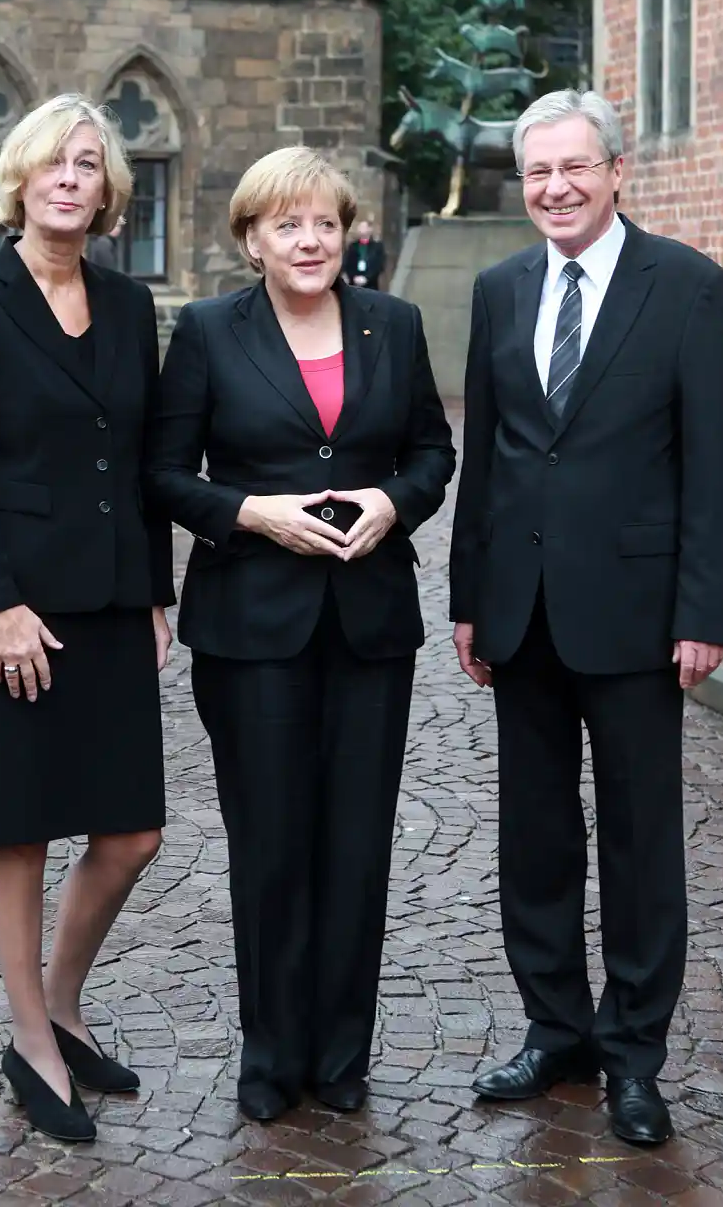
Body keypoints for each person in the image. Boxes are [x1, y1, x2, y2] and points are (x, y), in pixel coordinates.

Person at [449, 90, 723, 1147]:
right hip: (520, 615)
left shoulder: (688, 288)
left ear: (618, 171)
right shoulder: (499, 288)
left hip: (636, 612)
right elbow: (488, 455)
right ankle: (554, 1030)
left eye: (576, 168)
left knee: (638, 838)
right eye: (538, 173)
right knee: (534, 835)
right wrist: (469, 598)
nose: (557, 189)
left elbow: (714, 465)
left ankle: (633, 1055)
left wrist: (706, 609)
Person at [148, 146, 455, 1122]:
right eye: (287, 224)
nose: (310, 239)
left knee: (357, 843)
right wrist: (249, 513)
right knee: (271, 842)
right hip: (250, 627)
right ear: (252, 239)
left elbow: (431, 452)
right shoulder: (205, 332)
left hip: (370, 626)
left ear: (348, 231)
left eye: (324, 221)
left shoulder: (394, 325)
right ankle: (272, 1054)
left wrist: (392, 502)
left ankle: (341, 1056)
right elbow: (167, 472)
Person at [0, 94, 175, 1145]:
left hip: (112, 603)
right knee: (18, 829)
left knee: (132, 833)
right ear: (19, 180)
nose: (69, 178)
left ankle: (63, 1005)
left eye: (88, 164)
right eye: (51, 163)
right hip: (12, 612)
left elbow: (148, 461)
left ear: (108, 190)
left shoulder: (129, 305)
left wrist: (158, 586)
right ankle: (31, 1041)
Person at [342, 218, 386, 290]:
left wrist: (367, 278)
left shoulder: (377, 247)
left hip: (371, 284)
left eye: (363, 227)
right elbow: (347, 263)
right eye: (360, 227)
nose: (360, 229)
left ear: (369, 229)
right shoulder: (353, 246)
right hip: (354, 283)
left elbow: (379, 265)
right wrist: (353, 277)